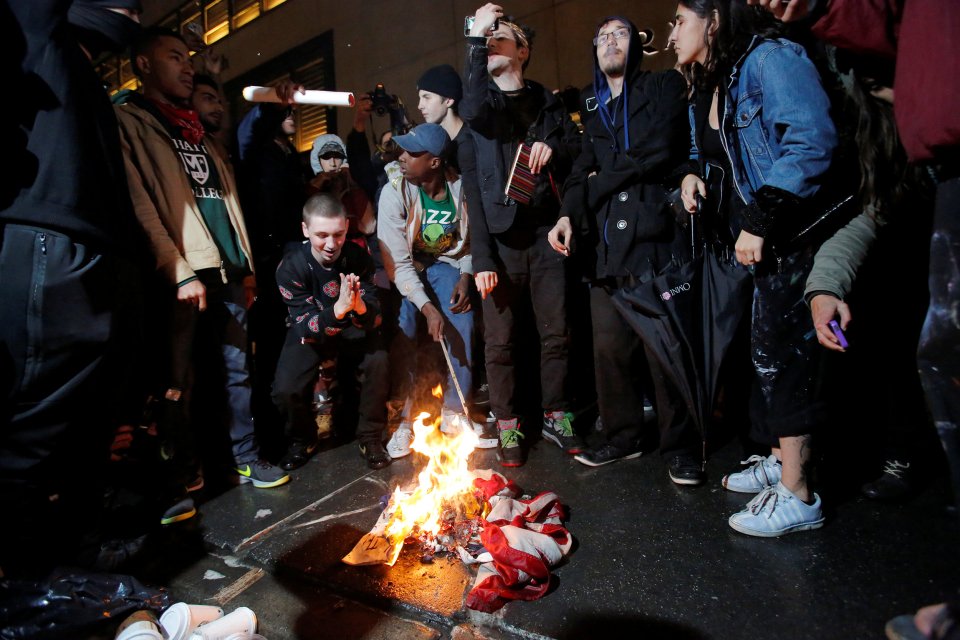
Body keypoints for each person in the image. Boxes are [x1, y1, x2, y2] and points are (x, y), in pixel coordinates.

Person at [748, 0, 960, 634]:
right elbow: (871, 209)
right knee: (932, 353)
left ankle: (900, 451)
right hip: (923, 215)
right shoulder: (885, 126)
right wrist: (825, 285)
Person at [670, 0, 838, 536]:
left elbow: (811, 140)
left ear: (713, 21)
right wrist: (692, 176)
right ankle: (780, 460)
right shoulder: (719, 79)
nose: (672, 33)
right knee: (764, 353)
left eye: (680, 21)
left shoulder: (771, 56)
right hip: (763, 244)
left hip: (795, 236)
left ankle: (798, 492)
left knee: (782, 356)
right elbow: (713, 152)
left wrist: (763, 217)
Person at [116, 27, 289, 525]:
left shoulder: (197, 130)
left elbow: (227, 200)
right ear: (144, 65)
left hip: (228, 267)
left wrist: (248, 269)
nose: (186, 66)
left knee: (237, 371)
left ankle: (244, 457)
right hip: (182, 270)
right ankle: (175, 481)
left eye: (188, 58)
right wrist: (176, 268)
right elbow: (141, 204)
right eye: (174, 57)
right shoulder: (131, 122)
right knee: (174, 383)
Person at [0, 0, 143, 576]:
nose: (128, 14)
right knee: (32, 429)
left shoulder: (88, 71)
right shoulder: (39, 34)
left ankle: (71, 557)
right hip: (48, 247)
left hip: (97, 256)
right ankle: (19, 574)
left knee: (88, 421)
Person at [547, 17, 701, 482]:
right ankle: (623, 435)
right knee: (610, 349)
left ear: (638, 45)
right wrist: (568, 213)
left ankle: (682, 445)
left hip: (652, 236)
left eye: (620, 34)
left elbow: (661, 149)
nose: (610, 41)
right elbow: (579, 173)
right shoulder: (593, 110)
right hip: (606, 245)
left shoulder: (663, 85)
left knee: (663, 348)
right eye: (602, 37)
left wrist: (602, 182)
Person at [460, 3, 583, 467]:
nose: (491, 41)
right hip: (501, 242)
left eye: (500, 35)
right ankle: (508, 422)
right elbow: (472, 188)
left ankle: (557, 413)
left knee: (557, 333)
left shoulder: (546, 101)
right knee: (501, 340)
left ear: (523, 50)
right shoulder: (481, 107)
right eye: (486, 38)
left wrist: (555, 147)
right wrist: (482, 259)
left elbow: (576, 149)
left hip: (546, 235)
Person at [377, 124, 496, 458]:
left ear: (434, 162)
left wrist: (465, 277)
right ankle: (404, 421)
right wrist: (427, 308)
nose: (401, 157)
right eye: (401, 150)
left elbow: (469, 244)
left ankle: (454, 412)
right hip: (407, 269)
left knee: (463, 319)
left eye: (412, 152)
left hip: (445, 265)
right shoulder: (394, 191)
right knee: (409, 333)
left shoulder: (460, 191)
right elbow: (397, 264)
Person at [272, 194, 391, 470]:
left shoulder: (358, 257)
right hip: (312, 332)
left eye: (338, 234)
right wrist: (336, 311)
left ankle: (370, 436)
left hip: (352, 327)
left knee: (379, 360)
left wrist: (361, 308)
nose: (330, 244)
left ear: (347, 228)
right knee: (285, 388)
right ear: (305, 230)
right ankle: (303, 439)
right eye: (321, 235)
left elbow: (375, 316)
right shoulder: (291, 266)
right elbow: (303, 324)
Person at [307, 133, 376, 249]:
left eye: (338, 156)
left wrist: (350, 182)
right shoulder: (311, 191)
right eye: (326, 156)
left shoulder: (354, 190)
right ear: (317, 160)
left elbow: (369, 227)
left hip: (355, 253)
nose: (333, 163)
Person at [417, 64, 470, 172]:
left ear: (449, 100)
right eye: (420, 98)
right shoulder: (436, 145)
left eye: (427, 97)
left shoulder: (469, 144)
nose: (420, 106)